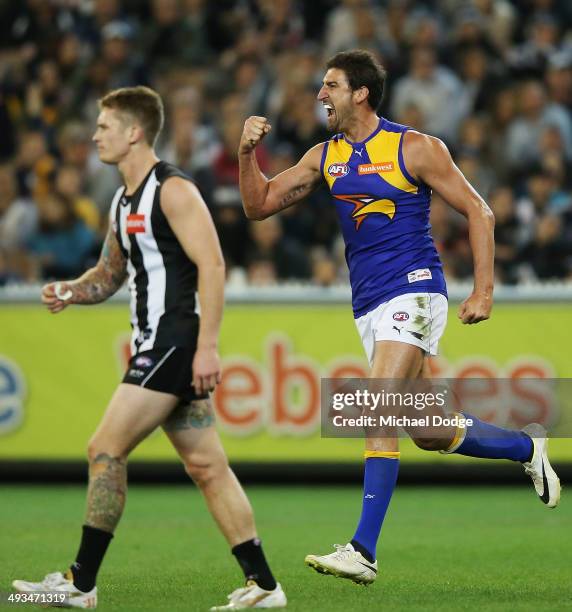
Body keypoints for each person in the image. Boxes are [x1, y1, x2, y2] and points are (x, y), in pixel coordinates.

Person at [238, 50, 560, 586]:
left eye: (331, 85)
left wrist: (484, 290)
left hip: (414, 290)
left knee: (377, 401)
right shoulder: (325, 157)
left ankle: (363, 549)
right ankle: (527, 447)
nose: (321, 95)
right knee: (431, 432)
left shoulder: (414, 147)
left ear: (360, 92)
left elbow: (480, 210)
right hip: (370, 301)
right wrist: (248, 153)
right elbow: (259, 204)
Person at [12, 86, 287, 610]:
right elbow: (109, 274)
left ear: (134, 132)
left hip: (175, 340)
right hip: (162, 343)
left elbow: (213, 265)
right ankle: (264, 586)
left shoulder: (174, 190)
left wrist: (208, 348)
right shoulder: (122, 199)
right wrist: (71, 291)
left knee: (104, 448)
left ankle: (80, 582)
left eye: (104, 126)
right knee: (207, 467)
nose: (94, 135)